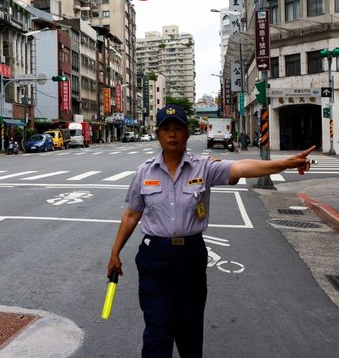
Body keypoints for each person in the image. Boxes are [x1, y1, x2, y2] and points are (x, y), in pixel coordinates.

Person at [106, 104, 314, 358]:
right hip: (154, 259)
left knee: (190, 330)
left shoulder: (203, 167)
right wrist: (115, 253)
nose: (172, 135)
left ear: (187, 134)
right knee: (157, 332)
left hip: (191, 256)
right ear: (159, 135)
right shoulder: (144, 172)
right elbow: (131, 214)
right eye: (166, 130)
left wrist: (284, 164)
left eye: (178, 129)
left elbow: (242, 168)